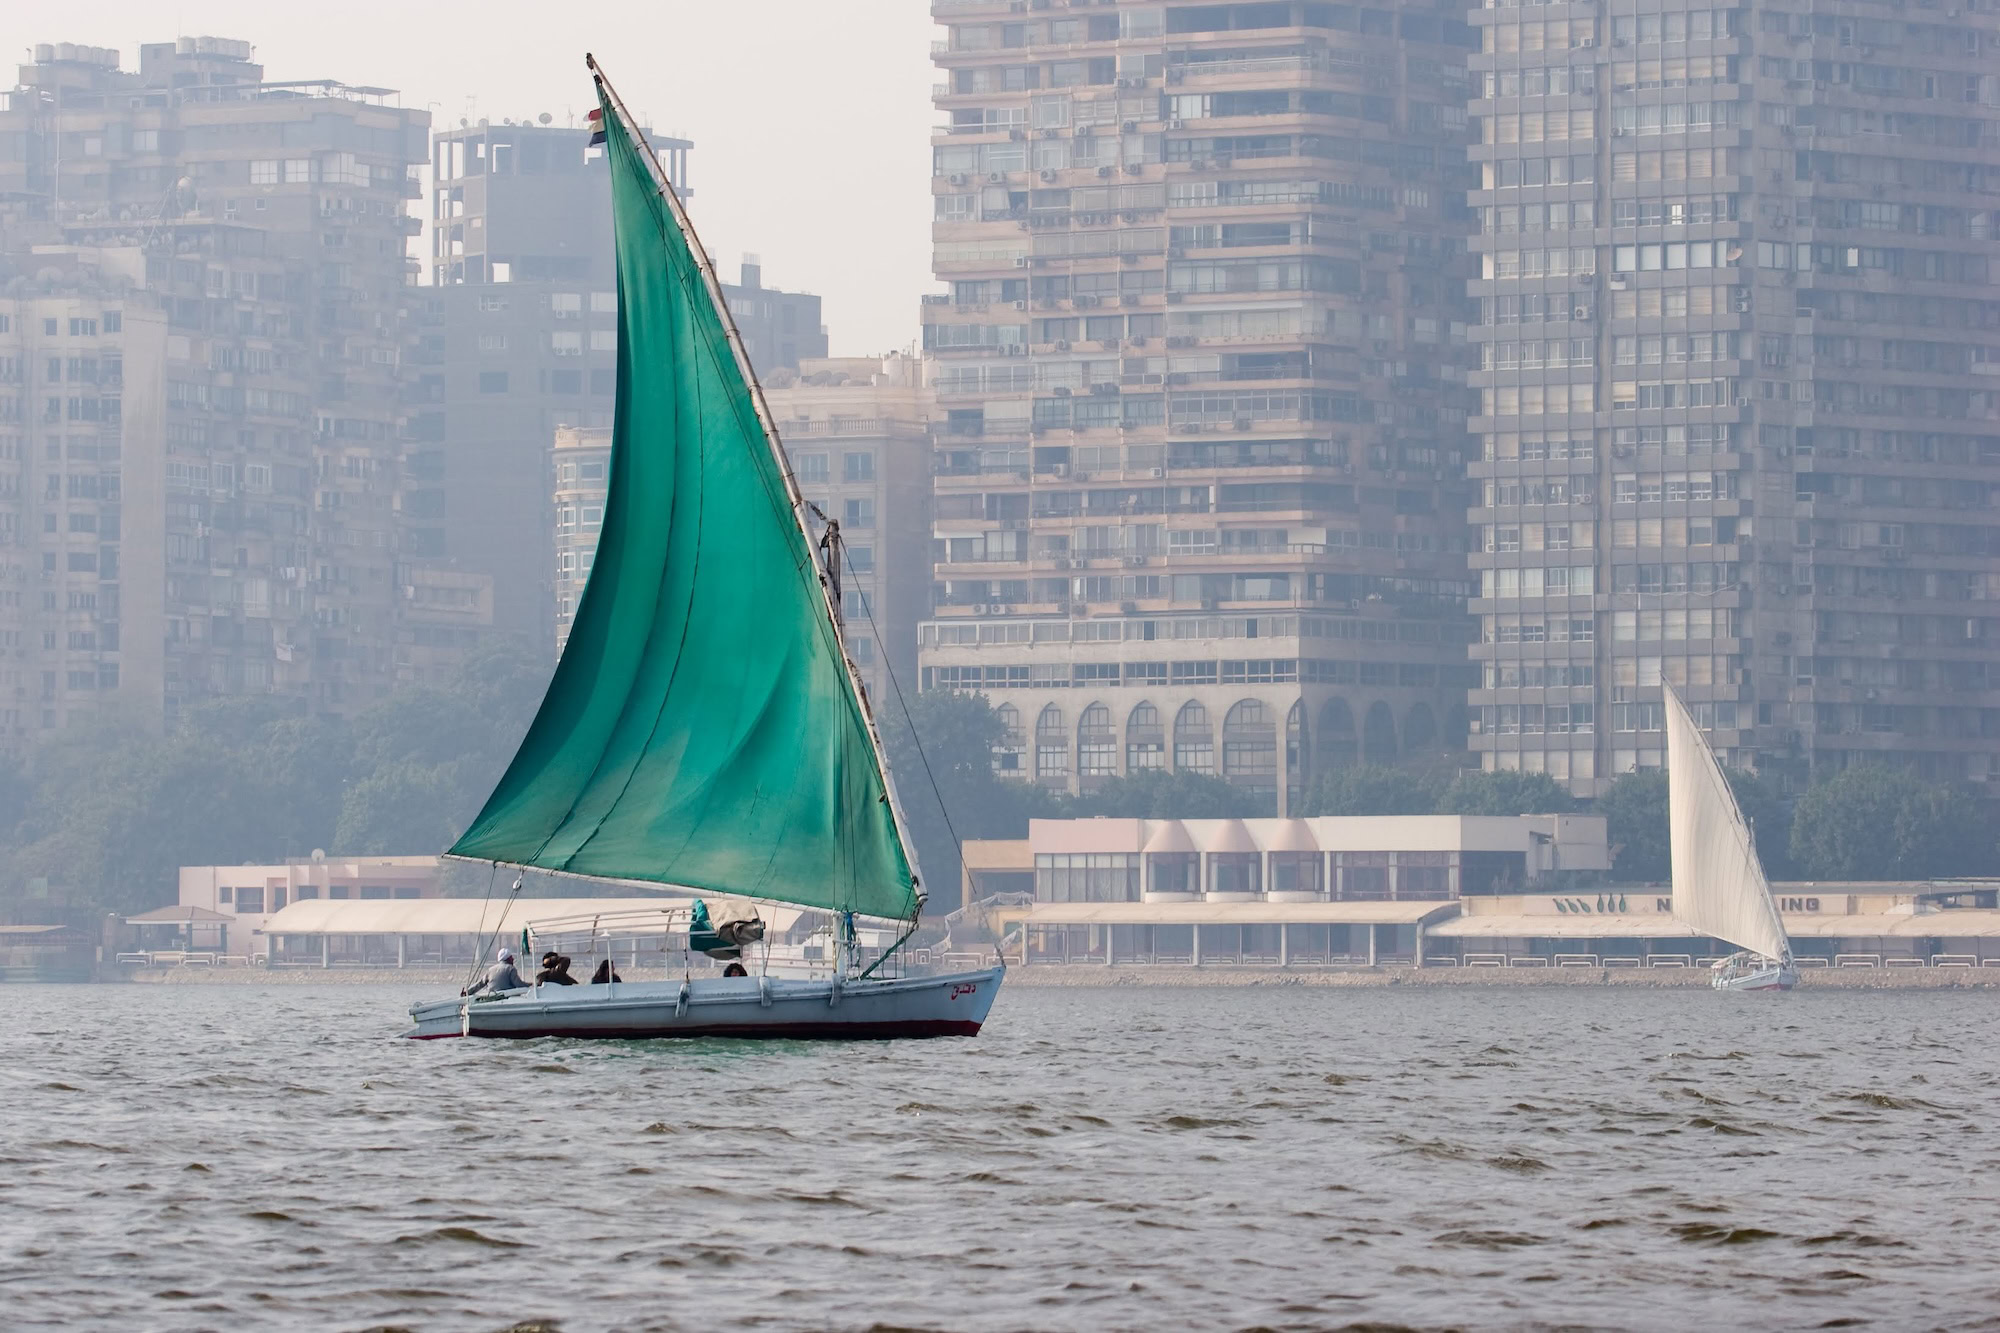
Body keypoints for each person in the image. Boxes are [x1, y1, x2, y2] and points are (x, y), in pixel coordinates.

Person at [463, 948, 530, 996]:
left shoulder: (491, 970)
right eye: (511, 957)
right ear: (508, 959)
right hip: (507, 998)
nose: (513, 959)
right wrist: (531, 985)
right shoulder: (511, 969)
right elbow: (518, 984)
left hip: (492, 998)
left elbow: (480, 984)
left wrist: (467, 992)